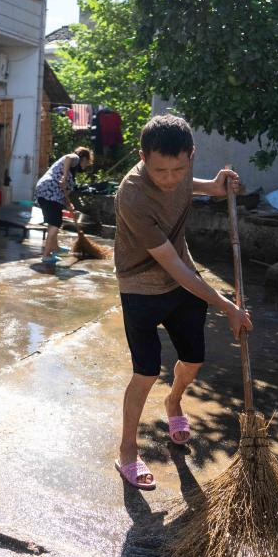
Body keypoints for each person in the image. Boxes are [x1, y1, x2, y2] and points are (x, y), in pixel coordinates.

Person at [113, 115, 254, 489]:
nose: (170, 178)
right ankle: (128, 450)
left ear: (191, 156)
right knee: (145, 371)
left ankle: (173, 402)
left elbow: (183, 186)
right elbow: (174, 268)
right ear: (143, 157)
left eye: (179, 168)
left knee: (193, 360)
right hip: (142, 285)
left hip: (181, 283)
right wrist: (228, 306)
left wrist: (214, 186)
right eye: (160, 170)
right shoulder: (132, 195)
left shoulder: (178, 172)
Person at [34, 146, 94, 264]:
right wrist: (64, 176)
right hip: (49, 191)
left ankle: (54, 248)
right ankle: (46, 255)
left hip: (47, 193)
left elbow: (64, 192)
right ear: (84, 159)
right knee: (55, 224)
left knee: (54, 222)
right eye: (87, 162)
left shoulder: (72, 172)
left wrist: (68, 204)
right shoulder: (75, 158)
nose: (86, 165)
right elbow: (68, 158)